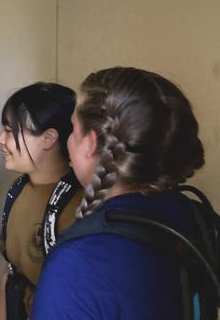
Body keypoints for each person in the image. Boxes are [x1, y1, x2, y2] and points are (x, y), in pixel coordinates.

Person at [31, 67, 205, 319]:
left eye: (73, 129)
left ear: (90, 144)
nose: (69, 140)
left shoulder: (76, 264)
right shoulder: (198, 217)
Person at [0, 83, 83, 320]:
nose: (0, 139)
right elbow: (10, 273)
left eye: (10, 130)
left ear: (48, 138)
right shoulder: (18, 190)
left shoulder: (76, 208)